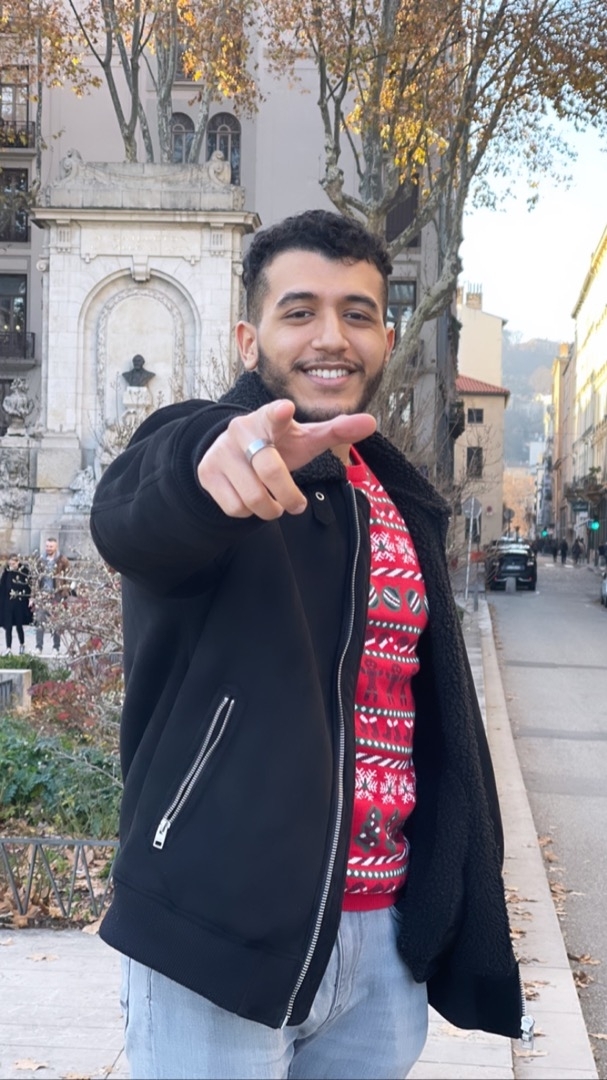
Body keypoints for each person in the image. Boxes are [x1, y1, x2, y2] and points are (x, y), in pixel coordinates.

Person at [91, 210, 524, 1080]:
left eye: (356, 313)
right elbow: (133, 515)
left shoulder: (402, 499)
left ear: (386, 339)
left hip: (381, 943)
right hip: (219, 935)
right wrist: (206, 469)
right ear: (248, 338)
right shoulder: (217, 448)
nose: (331, 336)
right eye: (299, 311)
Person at [34, 537, 70, 654]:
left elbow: (68, 577)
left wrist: (65, 593)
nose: (48, 548)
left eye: (51, 546)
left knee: (56, 622)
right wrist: (35, 595)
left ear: (56, 547)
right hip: (43, 595)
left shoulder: (62, 560)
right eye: (47, 546)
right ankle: (39, 647)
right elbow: (35, 578)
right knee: (40, 621)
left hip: (57, 595)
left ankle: (56, 647)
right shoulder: (40, 560)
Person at [0, 554, 32, 655]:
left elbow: (27, 586)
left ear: (18, 562)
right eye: (10, 564)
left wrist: (29, 598)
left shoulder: (24, 572)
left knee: (19, 625)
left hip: (19, 602)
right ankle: (8, 647)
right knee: (8, 626)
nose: (12, 565)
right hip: (8, 602)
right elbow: (3, 587)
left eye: (13, 564)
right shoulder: (7, 572)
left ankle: (22, 644)